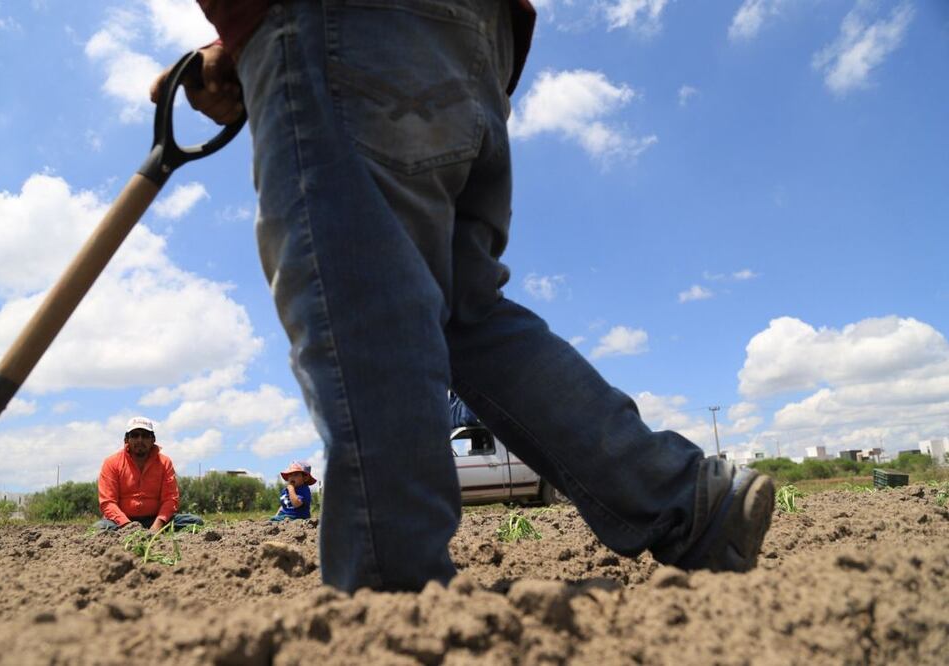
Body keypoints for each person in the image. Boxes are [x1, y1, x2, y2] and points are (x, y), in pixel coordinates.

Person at [150, 0, 774, 592]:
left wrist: (242, 27)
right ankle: (686, 501)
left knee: (363, 306)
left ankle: (394, 604)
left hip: (343, 30)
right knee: (465, 318)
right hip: (478, 40)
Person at [94, 416, 204, 532]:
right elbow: (108, 502)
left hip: (155, 520)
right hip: (121, 522)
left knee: (195, 521)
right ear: (126, 439)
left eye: (145, 435)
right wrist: (127, 526)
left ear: (153, 439)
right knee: (100, 527)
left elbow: (170, 499)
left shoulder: (165, 463)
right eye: (135, 435)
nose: (140, 440)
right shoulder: (111, 463)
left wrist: (158, 524)